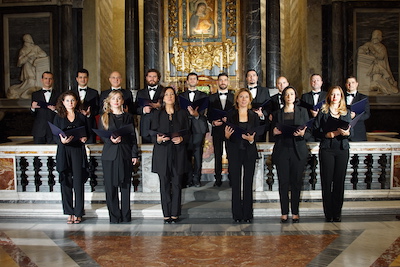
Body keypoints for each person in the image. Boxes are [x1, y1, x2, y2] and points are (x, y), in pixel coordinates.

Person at [271, 86, 311, 223]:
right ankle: (284, 212)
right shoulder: (277, 113)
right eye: (287, 94)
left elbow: (310, 131)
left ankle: (295, 212)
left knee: (296, 182)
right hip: (282, 150)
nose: (289, 96)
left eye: (292, 94)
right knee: (283, 182)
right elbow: (272, 131)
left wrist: (303, 133)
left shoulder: (303, 112)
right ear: (283, 96)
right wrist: (274, 132)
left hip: (298, 150)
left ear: (295, 96)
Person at [98, 90, 139, 224]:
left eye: (119, 98)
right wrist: (111, 140)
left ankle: (126, 216)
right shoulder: (104, 117)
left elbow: (133, 137)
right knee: (110, 187)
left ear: (122, 101)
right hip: (109, 155)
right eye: (113, 98)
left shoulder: (128, 117)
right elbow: (103, 137)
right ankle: (114, 217)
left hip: (125, 153)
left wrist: (134, 154)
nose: (116, 101)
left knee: (125, 185)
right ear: (109, 101)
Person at [150, 87, 189, 223]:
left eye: (172, 94)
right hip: (162, 152)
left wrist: (182, 139)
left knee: (177, 184)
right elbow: (152, 133)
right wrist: (158, 139)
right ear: (163, 98)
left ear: (175, 97)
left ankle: (175, 213)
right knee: (164, 184)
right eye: (167, 94)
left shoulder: (182, 114)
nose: (169, 96)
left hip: (178, 152)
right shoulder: (157, 114)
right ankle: (166, 213)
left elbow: (188, 133)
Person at [313, 86, 352, 222]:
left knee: (339, 182)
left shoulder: (346, 112)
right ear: (329, 96)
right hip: (327, 149)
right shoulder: (323, 112)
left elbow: (348, 130)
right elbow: (315, 131)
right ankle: (328, 213)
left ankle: (337, 213)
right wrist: (327, 134)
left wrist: (347, 133)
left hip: (342, 149)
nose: (335, 97)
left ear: (341, 96)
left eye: (338, 94)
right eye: (333, 95)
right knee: (327, 181)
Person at [224, 88, 260, 223]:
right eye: (241, 97)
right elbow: (227, 135)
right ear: (237, 99)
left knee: (248, 182)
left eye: (246, 97)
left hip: (249, 151)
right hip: (234, 151)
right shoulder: (230, 115)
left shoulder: (254, 116)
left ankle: (247, 214)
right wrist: (226, 136)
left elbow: (258, 134)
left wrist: (252, 140)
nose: (244, 99)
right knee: (236, 183)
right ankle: (237, 214)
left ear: (250, 100)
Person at [53, 91, 89, 224]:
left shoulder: (81, 117)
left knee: (78, 182)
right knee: (66, 182)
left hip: (77, 150)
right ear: (62, 102)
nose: (70, 103)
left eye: (73, 100)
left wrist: (85, 138)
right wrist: (61, 141)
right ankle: (69, 212)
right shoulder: (58, 117)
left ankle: (79, 212)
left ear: (76, 102)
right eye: (67, 101)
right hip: (64, 150)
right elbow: (54, 135)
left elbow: (88, 133)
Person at [180, 72, 209, 187]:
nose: (192, 81)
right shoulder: (181, 96)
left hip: (198, 128)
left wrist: (196, 114)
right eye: (190, 79)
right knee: (186, 154)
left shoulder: (203, 96)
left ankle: (197, 179)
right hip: (185, 127)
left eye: (194, 79)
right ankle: (187, 179)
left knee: (197, 154)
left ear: (197, 81)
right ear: (187, 81)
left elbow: (205, 112)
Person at [208, 73, 234, 187]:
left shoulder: (234, 96)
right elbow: (208, 114)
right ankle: (217, 178)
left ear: (228, 82)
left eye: (225, 80)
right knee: (217, 154)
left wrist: (229, 119)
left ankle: (232, 178)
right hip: (217, 129)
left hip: (230, 129)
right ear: (218, 82)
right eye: (221, 80)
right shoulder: (211, 97)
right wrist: (213, 122)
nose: (223, 82)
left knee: (231, 154)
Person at [7, 34, 49, 99]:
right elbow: (20, 62)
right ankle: (17, 92)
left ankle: (22, 93)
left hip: (36, 67)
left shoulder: (35, 48)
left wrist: (35, 55)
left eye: (29, 39)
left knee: (35, 83)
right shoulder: (23, 50)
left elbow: (43, 54)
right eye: (26, 40)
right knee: (30, 82)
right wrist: (28, 56)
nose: (28, 41)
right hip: (28, 68)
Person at [358, 29, 399, 94]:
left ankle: (392, 89)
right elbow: (361, 49)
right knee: (373, 81)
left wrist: (373, 51)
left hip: (379, 67)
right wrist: (363, 50)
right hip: (369, 65)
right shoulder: (368, 44)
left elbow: (381, 56)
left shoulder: (382, 47)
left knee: (377, 79)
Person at [31, 71, 60, 144]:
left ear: (53, 80)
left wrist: (55, 109)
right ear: (42, 80)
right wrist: (33, 108)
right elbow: (32, 114)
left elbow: (62, 113)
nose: (48, 81)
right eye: (46, 78)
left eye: (50, 79)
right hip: (39, 130)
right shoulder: (35, 94)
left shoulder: (59, 94)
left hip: (54, 129)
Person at [71, 69, 99, 144]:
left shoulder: (94, 93)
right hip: (74, 125)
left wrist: (89, 113)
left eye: (85, 77)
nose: (83, 79)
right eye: (80, 77)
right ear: (77, 79)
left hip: (89, 126)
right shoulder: (71, 92)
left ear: (88, 78)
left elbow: (97, 109)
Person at [136, 69, 163, 144]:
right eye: (150, 76)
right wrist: (143, 110)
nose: (152, 78)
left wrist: (159, 106)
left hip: (160, 126)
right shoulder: (140, 92)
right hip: (146, 127)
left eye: (154, 76)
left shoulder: (164, 91)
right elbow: (135, 109)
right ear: (146, 78)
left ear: (158, 78)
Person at [300, 74, 327, 141]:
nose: (315, 82)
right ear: (310, 83)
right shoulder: (304, 96)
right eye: (313, 80)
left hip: (322, 128)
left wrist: (319, 113)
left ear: (321, 82)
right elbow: (301, 111)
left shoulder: (327, 95)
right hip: (309, 128)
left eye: (317, 80)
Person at [246, 69, 270, 142]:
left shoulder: (265, 90)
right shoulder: (243, 91)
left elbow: (269, 106)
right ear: (246, 78)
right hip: (247, 123)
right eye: (249, 76)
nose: (251, 77)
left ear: (257, 77)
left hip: (261, 123)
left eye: (253, 75)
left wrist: (262, 114)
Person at [345, 76, 370, 141]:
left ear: (357, 84)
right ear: (346, 85)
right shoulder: (340, 97)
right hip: (343, 131)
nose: (350, 85)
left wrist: (355, 116)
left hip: (358, 132)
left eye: (353, 82)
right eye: (348, 83)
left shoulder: (363, 98)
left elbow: (367, 114)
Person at [268, 76, 289, 142]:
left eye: (284, 83)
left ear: (288, 84)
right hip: (276, 130)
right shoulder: (271, 99)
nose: (282, 85)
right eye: (279, 83)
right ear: (276, 85)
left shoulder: (293, 99)